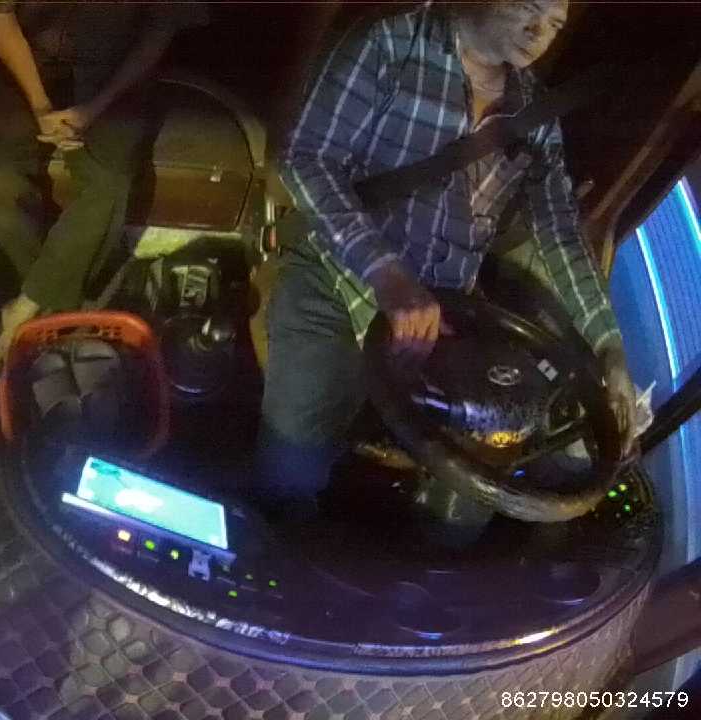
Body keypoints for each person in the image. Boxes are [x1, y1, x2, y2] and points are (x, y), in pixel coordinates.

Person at [262, 0, 637, 518]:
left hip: (451, 315)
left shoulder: (536, 117)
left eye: (555, 25)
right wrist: (387, 273)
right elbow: (306, 159)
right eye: (529, 8)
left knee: (475, 489)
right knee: (292, 468)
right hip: (337, 278)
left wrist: (609, 347)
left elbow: (560, 235)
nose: (538, 32)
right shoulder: (392, 43)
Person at [0, 0, 208, 369]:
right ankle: (52, 307)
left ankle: (26, 308)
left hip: (115, 79)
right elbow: (0, 16)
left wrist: (93, 108)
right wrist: (40, 106)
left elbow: (157, 34)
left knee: (108, 181)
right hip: (29, 68)